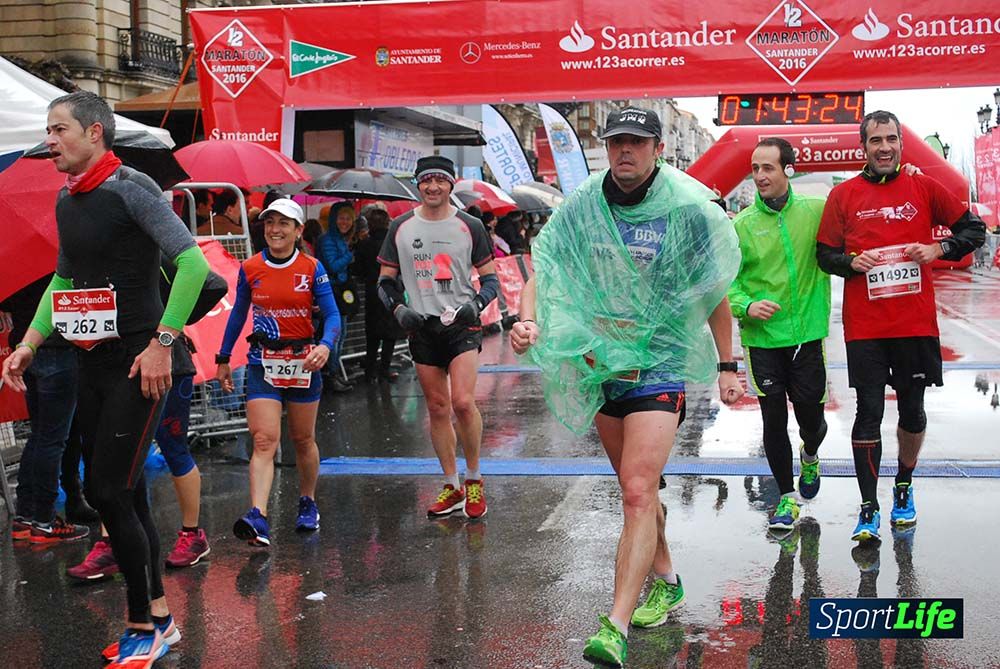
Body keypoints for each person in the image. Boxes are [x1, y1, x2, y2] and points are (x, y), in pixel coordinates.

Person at [510, 107, 742, 667]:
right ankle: (666, 576)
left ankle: (614, 624)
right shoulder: (586, 203)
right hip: (603, 367)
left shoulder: (687, 210)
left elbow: (713, 293)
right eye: (617, 143)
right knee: (635, 491)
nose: (625, 153)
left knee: (639, 490)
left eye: (637, 142)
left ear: (658, 148)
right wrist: (527, 318)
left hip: (661, 368)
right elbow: (546, 267)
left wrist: (728, 366)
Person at [2, 91, 211, 666]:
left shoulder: (131, 189)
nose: (50, 140)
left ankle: (141, 626)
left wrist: (162, 343)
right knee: (126, 492)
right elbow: (65, 280)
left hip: (139, 365)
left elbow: (193, 264)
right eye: (47, 129)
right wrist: (29, 343)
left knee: (105, 492)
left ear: (95, 133)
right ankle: (160, 620)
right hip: (88, 363)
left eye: (59, 129)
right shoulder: (70, 200)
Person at [817, 110, 985, 541]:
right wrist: (851, 262)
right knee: (868, 414)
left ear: (901, 144)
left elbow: (974, 230)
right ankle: (869, 506)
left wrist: (939, 248)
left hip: (914, 326)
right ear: (864, 147)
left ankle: (905, 485)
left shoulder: (924, 186)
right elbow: (825, 255)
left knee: (912, 412)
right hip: (866, 329)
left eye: (892, 139)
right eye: (876, 140)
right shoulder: (844, 195)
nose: (885, 147)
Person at [377, 155, 499, 519]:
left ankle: (474, 478)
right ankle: (451, 485)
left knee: (462, 402)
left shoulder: (470, 225)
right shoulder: (400, 227)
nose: (433, 187)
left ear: (451, 184)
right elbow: (384, 282)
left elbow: (490, 279)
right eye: (426, 180)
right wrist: (400, 310)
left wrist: (475, 305)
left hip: (461, 323)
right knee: (437, 408)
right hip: (423, 326)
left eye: (440, 181)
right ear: (418, 184)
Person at [215, 198, 340, 548]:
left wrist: (326, 345)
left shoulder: (312, 268)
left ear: (299, 230)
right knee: (264, 439)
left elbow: (332, 315)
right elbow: (238, 313)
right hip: (262, 362)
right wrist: (223, 357)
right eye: (270, 222)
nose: (275, 229)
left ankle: (308, 500)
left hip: (303, 360)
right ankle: (258, 515)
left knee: (302, 440)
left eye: (284, 223)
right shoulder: (251, 267)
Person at [728, 137, 831, 532]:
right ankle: (786, 499)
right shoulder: (740, 225)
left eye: (767, 168)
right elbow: (728, 282)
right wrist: (746, 305)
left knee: (812, 422)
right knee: (772, 420)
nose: (759, 176)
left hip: (806, 337)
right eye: (755, 168)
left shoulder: (815, 211)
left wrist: (904, 174)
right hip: (762, 341)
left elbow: (857, 208)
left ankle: (810, 454)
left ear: (788, 169)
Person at [1, 275, 89, 543]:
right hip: (58, 348)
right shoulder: (56, 262)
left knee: (40, 436)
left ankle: (27, 517)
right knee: (52, 439)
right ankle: (44, 521)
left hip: (27, 348)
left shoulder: (16, 263)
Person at [355, 204, 404, 382]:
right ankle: (385, 368)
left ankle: (370, 370)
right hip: (391, 289)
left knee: (372, 334)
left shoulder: (364, 243)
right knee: (389, 334)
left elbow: (358, 269)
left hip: (371, 291)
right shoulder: (394, 243)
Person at [317, 202, 357, 392]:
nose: (345, 222)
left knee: (341, 336)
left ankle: (334, 374)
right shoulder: (327, 240)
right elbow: (332, 265)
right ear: (334, 219)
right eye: (342, 217)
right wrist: (349, 256)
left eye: (349, 218)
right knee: (335, 334)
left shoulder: (340, 239)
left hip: (339, 291)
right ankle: (331, 375)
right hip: (331, 291)